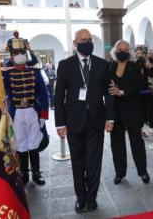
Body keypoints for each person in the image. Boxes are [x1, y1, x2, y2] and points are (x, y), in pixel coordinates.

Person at [54, 29, 114, 213]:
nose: (87, 42)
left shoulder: (103, 64)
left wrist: (110, 117)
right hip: (73, 122)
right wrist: (60, 123)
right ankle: (80, 197)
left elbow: (109, 93)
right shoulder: (65, 65)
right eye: (83, 40)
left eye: (89, 40)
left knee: (94, 162)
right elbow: (58, 96)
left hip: (96, 121)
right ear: (75, 43)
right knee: (78, 162)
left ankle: (91, 198)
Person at [2, 38, 49, 186]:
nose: (20, 55)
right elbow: (2, 92)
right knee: (20, 142)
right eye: (16, 53)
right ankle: (23, 173)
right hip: (16, 112)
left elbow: (43, 92)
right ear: (11, 55)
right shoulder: (6, 73)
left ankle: (36, 172)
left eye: (22, 52)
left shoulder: (34, 71)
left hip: (32, 111)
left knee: (34, 142)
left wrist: (44, 114)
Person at [108, 40, 150, 184]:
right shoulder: (110, 66)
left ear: (129, 52)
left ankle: (143, 171)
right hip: (115, 111)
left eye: (126, 49)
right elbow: (105, 86)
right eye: (120, 49)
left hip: (133, 109)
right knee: (116, 144)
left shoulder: (135, 66)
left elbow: (138, 85)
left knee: (137, 143)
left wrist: (122, 92)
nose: (123, 51)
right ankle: (120, 173)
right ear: (114, 50)